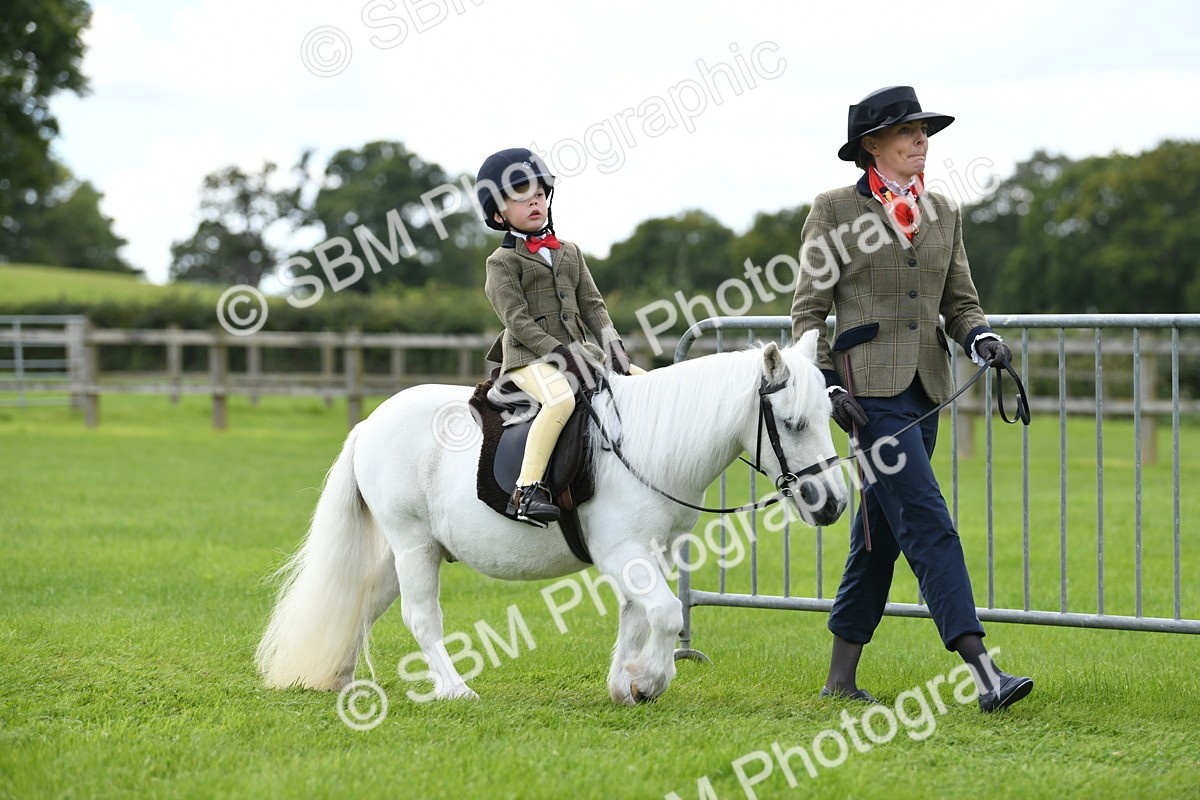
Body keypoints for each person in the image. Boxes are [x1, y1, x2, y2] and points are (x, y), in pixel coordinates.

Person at [790, 86, 1033, 713]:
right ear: (873, 144)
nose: (922, 141)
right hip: (866, 397)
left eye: (925, 132)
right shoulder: (834, 210)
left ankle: (839, 679)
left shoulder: (945, 212)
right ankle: (985, 673)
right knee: (927, 519)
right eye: (908, 132)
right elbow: (808, 312)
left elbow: (959, 302)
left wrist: (981, 338)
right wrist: (828, 384)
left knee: (878, 536)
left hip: (926, 389)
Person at [476, 147, 644, 526]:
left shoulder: (570, 252)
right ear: (499, 213)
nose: (534, 200)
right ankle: (527, 490)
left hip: (580, 354)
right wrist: (559, 353)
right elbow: (516, 321)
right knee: (560, 401)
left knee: (647, 385)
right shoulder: (501, 263)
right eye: (521, 196)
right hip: (528, 362)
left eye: (538, 193)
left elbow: (594, 306)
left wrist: (613, 347)